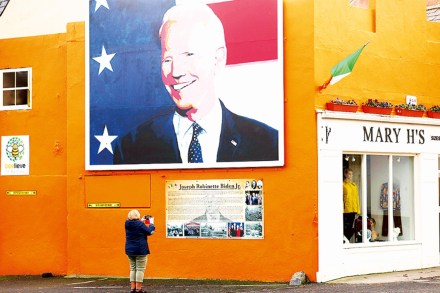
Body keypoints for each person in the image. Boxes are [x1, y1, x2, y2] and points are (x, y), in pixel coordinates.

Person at [114, 3, 278, 165]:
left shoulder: (268, 143)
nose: (176, 71)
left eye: (189, 54)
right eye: (167, 59)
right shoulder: (131, 147)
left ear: (218, 59)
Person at [125, 209, 156, 293]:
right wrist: (151, 223)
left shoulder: (127, 223)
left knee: (132, 268)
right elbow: (150, 232)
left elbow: (136, 225)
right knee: (140, 269)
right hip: (140, 250)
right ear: (137, 216)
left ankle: (133, 289)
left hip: (129, 250)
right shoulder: (140, 224)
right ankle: (138, 289)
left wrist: (141, 221)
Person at [343, 168, 360, 242]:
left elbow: (357, 198)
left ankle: (347, 241)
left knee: (350, 227)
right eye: (349, 174)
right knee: (345, 227)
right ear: (345, 174)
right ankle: (345, 240)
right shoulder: (343, 185)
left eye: (352, 174)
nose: (351, 176)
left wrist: (358, 209)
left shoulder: (354, 185)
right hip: (346, 209)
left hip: (353, 209)